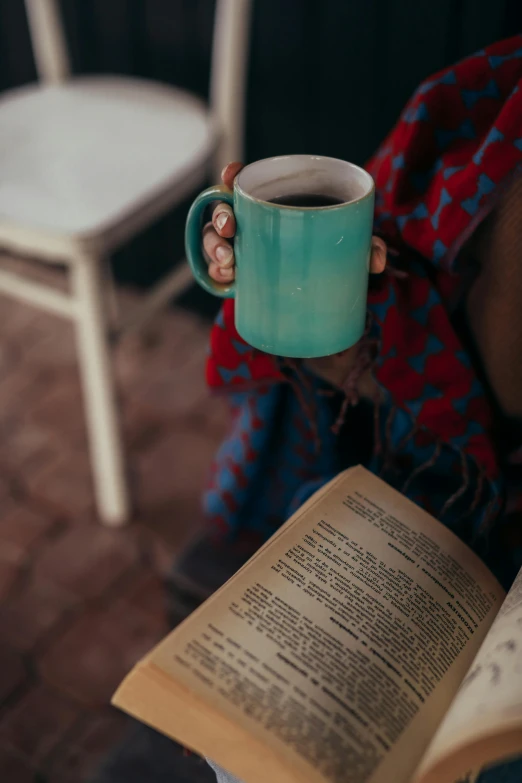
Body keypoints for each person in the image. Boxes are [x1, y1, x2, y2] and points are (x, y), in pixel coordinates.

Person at [170, 35, 522, 781]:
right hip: (457, 499)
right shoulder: (483, 122)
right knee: (249, 744)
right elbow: (442, 349)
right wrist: (289, 297)